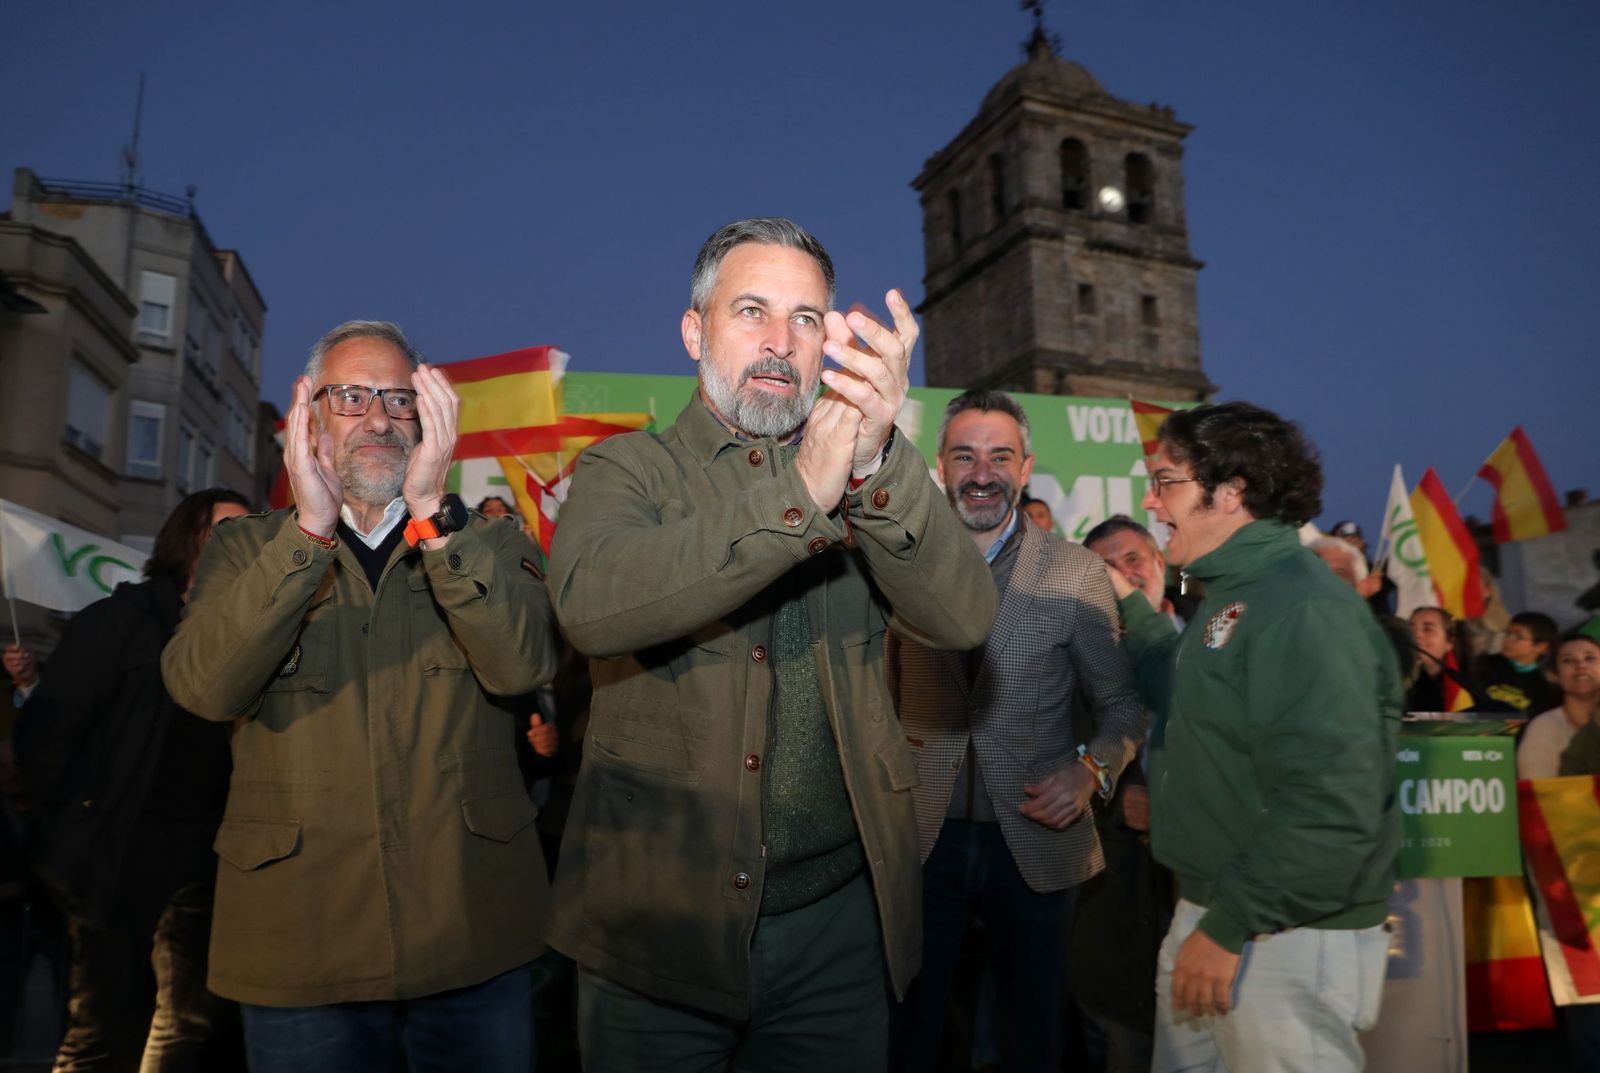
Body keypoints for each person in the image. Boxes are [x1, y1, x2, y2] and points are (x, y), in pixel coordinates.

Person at [544, 217, 998, 1071]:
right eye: (751, 310)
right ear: (695, 331)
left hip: (837, 932)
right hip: (656, 927)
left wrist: (876, 464)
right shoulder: (629, 470)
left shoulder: (865, 474)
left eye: (806, 318)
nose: (780, 342)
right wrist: (800, 494)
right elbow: (591, 606)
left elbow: (964, 618)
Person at [161, 320, 559, 1073]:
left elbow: (522, 666)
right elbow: (204, 688)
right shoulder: (245, 548)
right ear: (310, 417)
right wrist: (310, 532)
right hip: (300, 943)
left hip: (470, 934)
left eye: (399, 399)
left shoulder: (493, 543)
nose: (378, 418)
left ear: (429, 420)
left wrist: (435, 515)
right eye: (351, 397)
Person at [1109, 401, 1400, 1073]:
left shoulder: (1303, 609)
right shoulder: (1238, 594)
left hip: (1279, 934)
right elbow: (1187, 695)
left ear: (1231, 493)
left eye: (1166, 481)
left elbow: (1332, 802)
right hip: (1219, 912)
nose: (1150, 501)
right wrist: (1129, 603)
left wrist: (1230, 924)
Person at [887, 389, 1144, 1073]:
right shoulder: (897, 560)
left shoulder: (1076, 572)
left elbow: (1122, 706)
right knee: (908, 1034)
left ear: (1025, 467)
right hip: (919, 839)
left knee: (1032, 1038)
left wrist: (1090, 770)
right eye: (965, 455)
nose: (982, 473)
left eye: (1000, 456)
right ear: (940, 465)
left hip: (1035, 839)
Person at [13, 489, 248, 1073]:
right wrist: (72, 836)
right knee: (103, 1027)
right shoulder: (121, 620)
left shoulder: (245, 634)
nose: (242, 543)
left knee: (188, 1020)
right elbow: (48, 734)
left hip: (204, 856)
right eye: (225, 529)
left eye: (252, 532)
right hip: (115, 853)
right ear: (187, 539)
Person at [1518, 632, 1600, 779]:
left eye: (1590, 658)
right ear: (1555, 675)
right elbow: (1537, 786)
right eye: (1568, 660)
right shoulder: (1544, 726)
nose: (1581, 665)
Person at [1086, 514, 1186, 628]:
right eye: (1108, 568)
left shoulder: (1199, 620)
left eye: (1132, 559)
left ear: (1159, 563)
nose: (1123, 575)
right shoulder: (1077, 637)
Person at [1474, 611, 1560, 715]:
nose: (1508, 640)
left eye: (1518, 636)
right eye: (1507, 633)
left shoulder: (1541, 688)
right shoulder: (1481, 664)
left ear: (1541, 647)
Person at [1406, 606, 1479, 712]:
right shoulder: (1400, 678)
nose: (1416, 635)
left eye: (1427, 629)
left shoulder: (1468, 685)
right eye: (1411, 629)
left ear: (1449, 643)